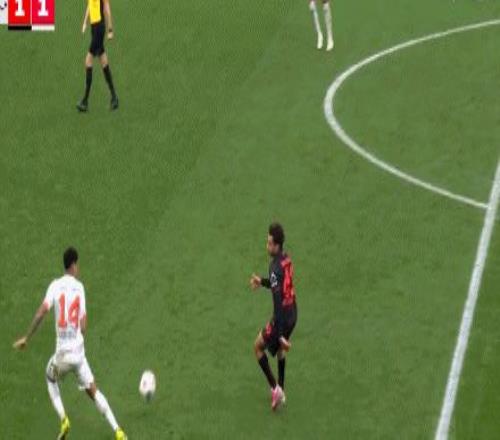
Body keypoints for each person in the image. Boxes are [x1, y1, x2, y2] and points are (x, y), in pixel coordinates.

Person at [13, 247, 127, 440]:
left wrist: (27, 337)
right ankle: (118, 431)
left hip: (62, 356)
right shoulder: (79, 288)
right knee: (93, 391)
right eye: (78, 264)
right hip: (79, 355)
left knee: (50, 378)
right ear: (73, 264)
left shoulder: (55, 285)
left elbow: (42, 311)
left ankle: (64, 419)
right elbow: (83, 326)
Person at [250, 223, 298, 410]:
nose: (267, 246)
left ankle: (275, 389)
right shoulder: (286, 259)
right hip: (293, 314)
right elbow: (278, 283)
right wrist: (262, 281)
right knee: (280, 350)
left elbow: (277, 302)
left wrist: (278, 334)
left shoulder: (274, 266)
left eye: (270, 243)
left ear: (277, 245)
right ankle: (282, 391)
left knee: (257, 347)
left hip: (282, 317)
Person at [77, 0, 119, 112]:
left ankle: (85, 101)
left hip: (99, 29)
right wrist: (85, 22)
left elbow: (106, 8)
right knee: (103, 61)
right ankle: (114, 97)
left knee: (88, 61)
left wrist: (110, 29)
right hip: (94, 28)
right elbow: (90, 5)